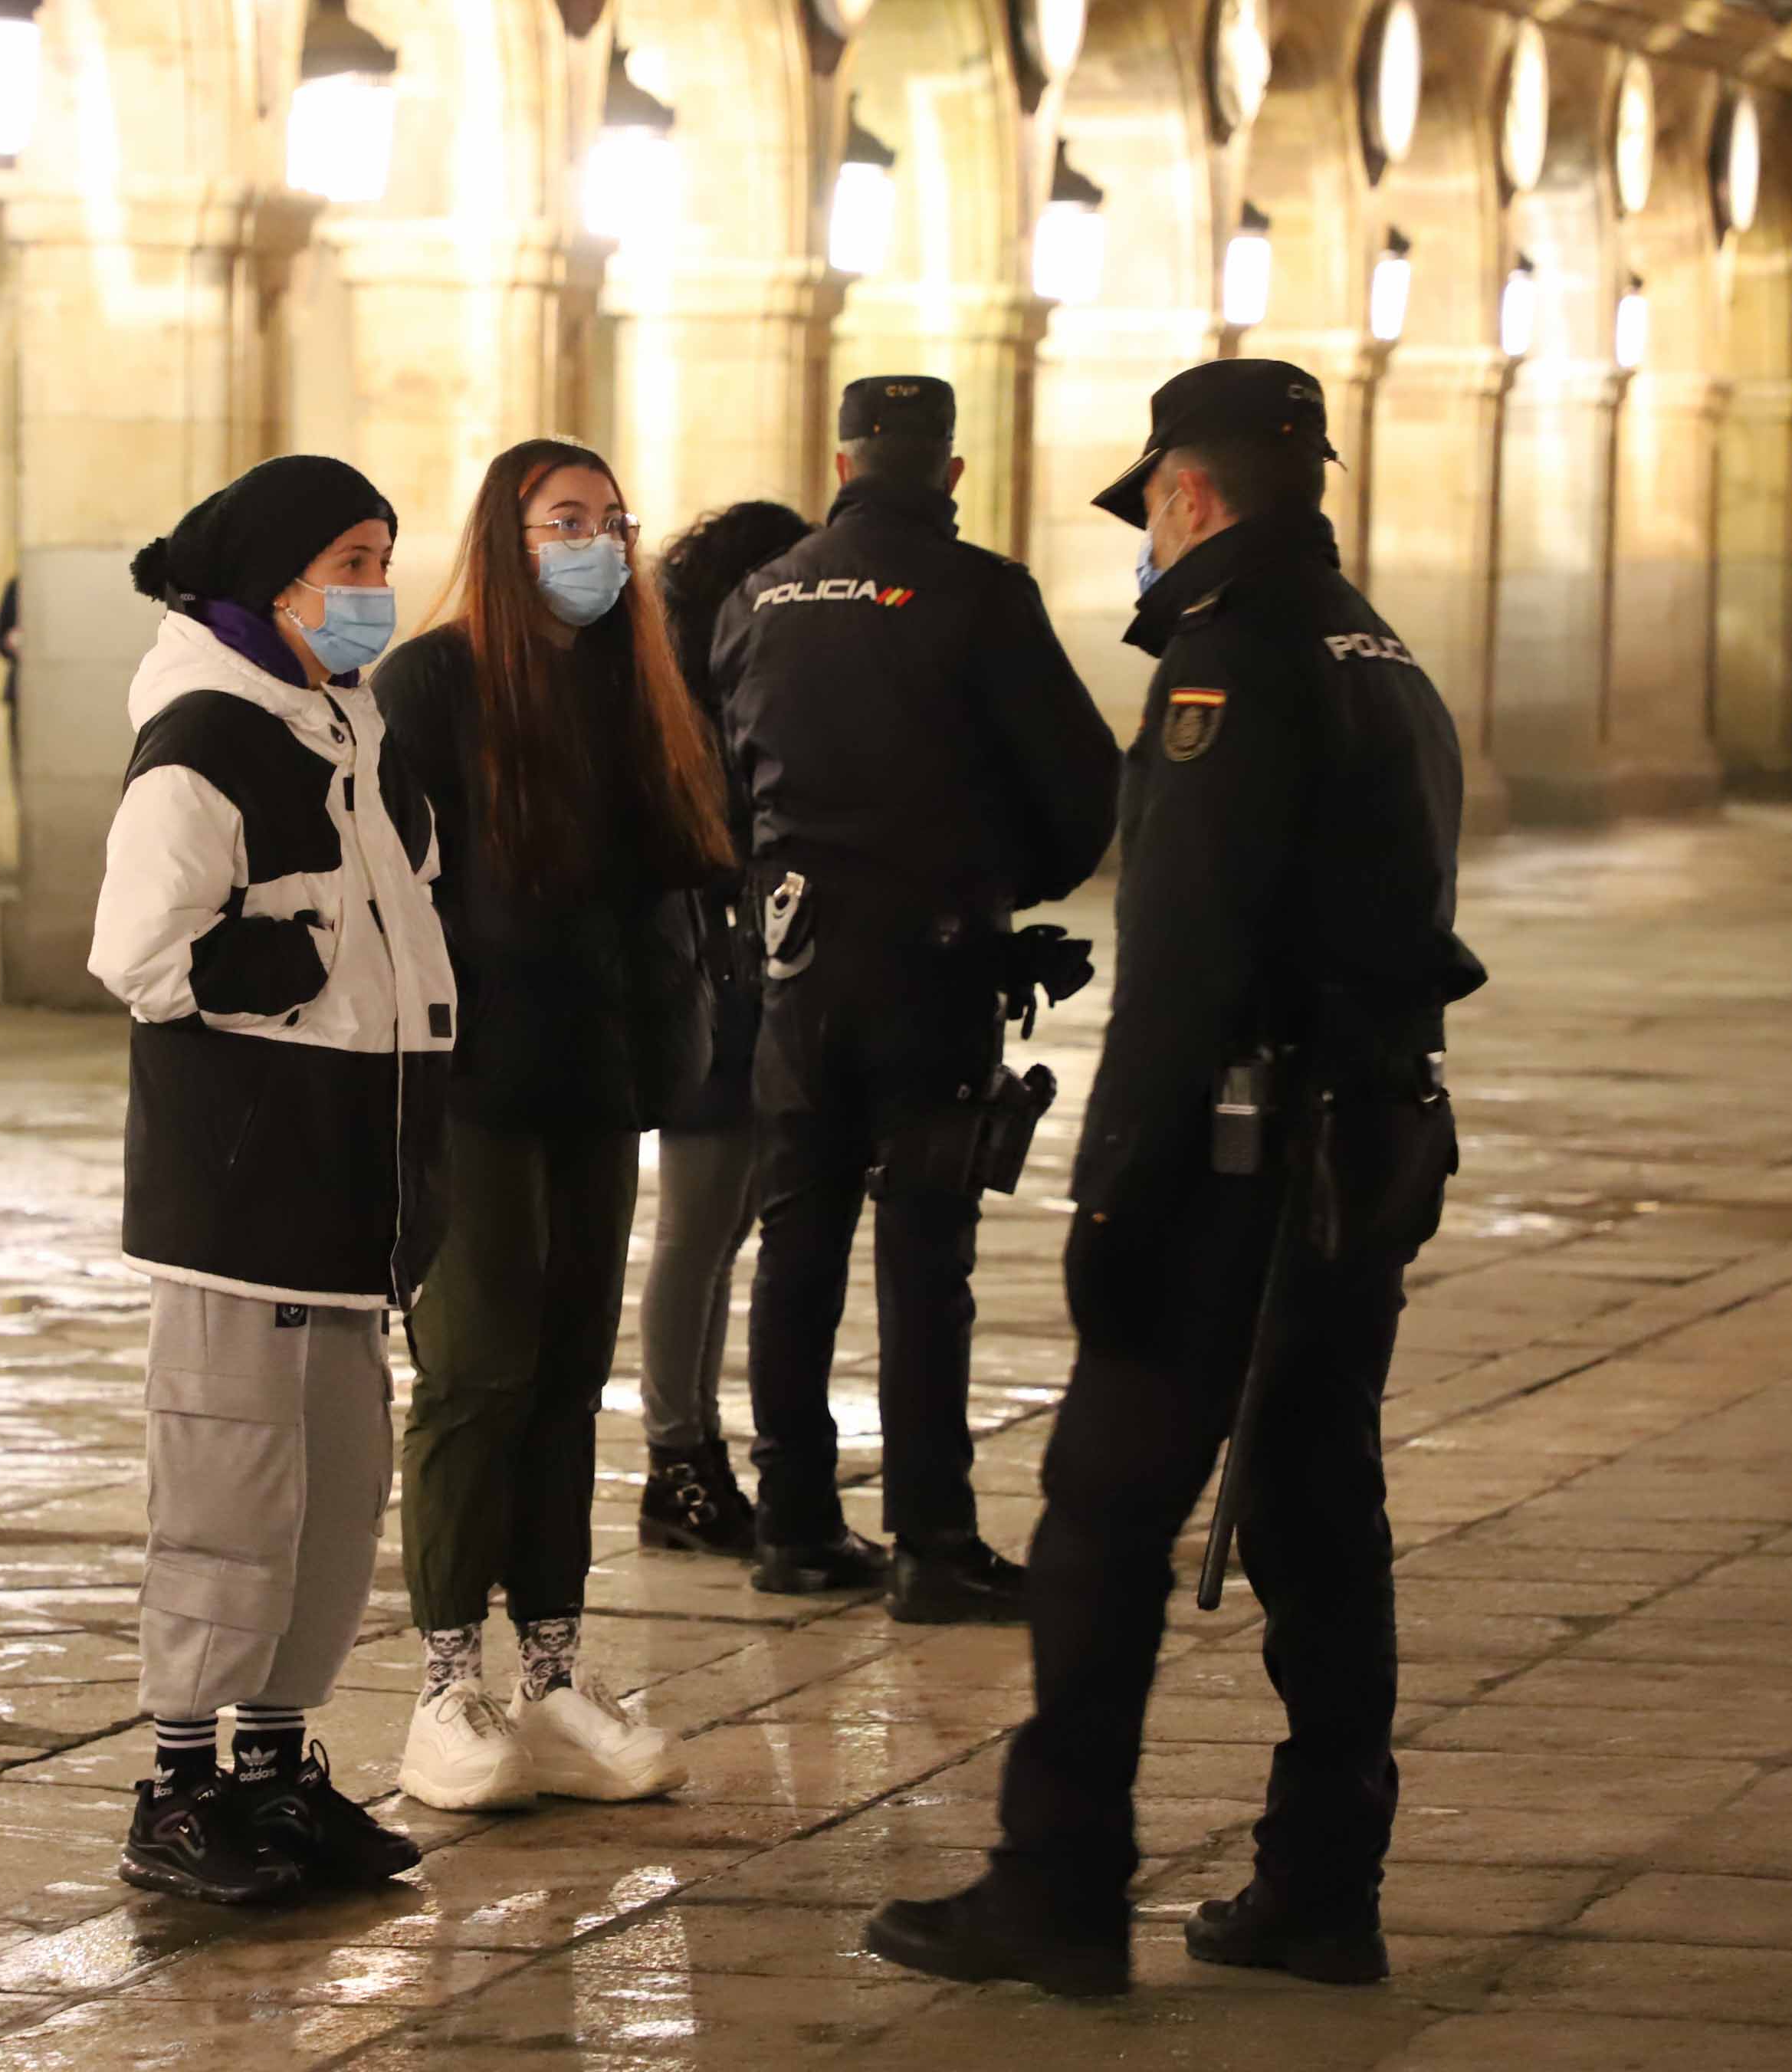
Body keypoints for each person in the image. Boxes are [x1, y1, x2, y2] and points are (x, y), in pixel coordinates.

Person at [865, 359, 1488, 1997]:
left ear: (1189, 495)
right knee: (1317, 1513)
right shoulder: (1377, 644)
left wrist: (1110, 1196)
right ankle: (1318, 1880)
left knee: (1099, 1518)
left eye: (1149, 508)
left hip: (1238, 1159)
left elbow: (1187, 960)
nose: (1145, 540)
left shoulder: (1230, 660)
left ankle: (1056, 1884)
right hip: (1364, 1140)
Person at [87, 454, 457, 1905]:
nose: (374, 590)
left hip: (352, 1184)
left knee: (337, 1491)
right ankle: (178, 1785)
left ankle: (277, 1769)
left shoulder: (349, 730)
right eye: (350, 562)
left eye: (381, 558)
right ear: (274, 582)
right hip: (248, 1187)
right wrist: (295, 962)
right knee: (232, 1491)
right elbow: (140, 952)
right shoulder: (205, 736)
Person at [709, 376, 1122, 1624]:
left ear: (841, 463)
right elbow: (1079, 774)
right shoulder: (981, 593)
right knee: (926, 1250)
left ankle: (791, 1524)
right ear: (948, 471)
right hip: (931, 957)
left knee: (796, 1241)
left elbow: (722, 766)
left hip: (793, 957)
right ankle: (932, 1541)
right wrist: (1008, 884)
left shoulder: (758, 594)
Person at [373, 438, 737, 1812]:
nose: (596, 545)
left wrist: (671, 1055)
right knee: (478, 1369)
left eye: (610, 521)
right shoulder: (434, 682)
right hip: (472, 1087)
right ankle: (444, 1685)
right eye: (563, 521)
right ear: (507, 538)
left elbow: (672, 890)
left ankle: (555, 1671)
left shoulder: (638, 685)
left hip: (599, 1084)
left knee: (575, 1373)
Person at [638, 499, 816, 1558]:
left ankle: (695, 1450)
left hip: (756, 980)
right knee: (697, 1233)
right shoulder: (680, 706)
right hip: (713, 985)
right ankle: (677, 1462)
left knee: (724, 1232)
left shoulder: (751, 688)